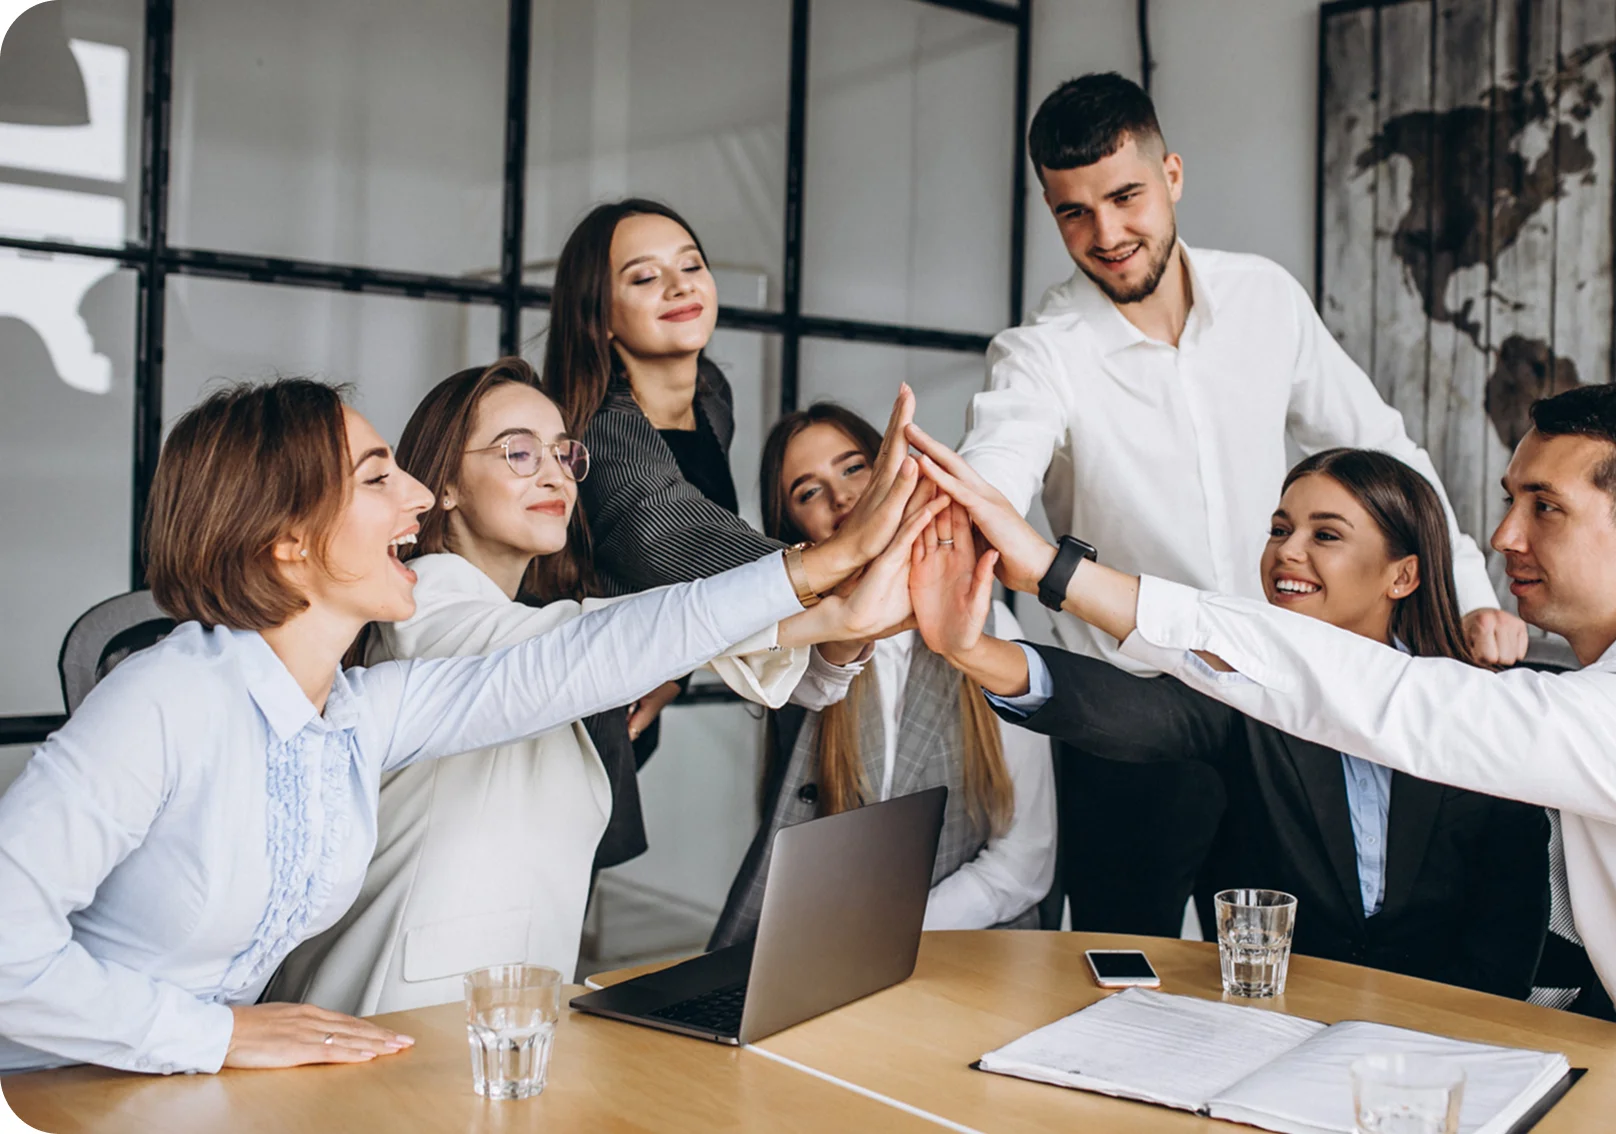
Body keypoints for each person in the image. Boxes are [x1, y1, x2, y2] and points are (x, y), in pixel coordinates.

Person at [0, 377, 937, 1076]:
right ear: (286, 540)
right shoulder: (162, 701)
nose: (415, 496)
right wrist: (216, 1032)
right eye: (378, 479)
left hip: (218, 1089)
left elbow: (573, 660)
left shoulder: (356, 715)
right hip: (74, 1093)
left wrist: (826, 595)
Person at [908, 383, 1616, 1076]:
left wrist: (1051, 571)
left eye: (1545, 506)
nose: (1504, 537)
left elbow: (1385, 699)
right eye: (1509, 499)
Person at [953, 72, 1528, 936]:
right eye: (1074, 212)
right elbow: (993, 470)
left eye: (1126, 196)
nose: (1107, 235)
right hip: (1129, 721)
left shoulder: (1266, 298)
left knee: (1285, 971)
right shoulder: (1042, 354)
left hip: (1274, 711)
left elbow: (1387, 449)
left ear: (1172, 175)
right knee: (1121, 974)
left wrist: (1473, 597)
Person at [268, 361, 897, 1015]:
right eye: (518, 451)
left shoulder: (542, 622)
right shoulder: (426, 607)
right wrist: (822, 578)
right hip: (386, 1026)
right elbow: (586, 648)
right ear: (444, 484)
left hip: (505, 1038)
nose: (553, 474)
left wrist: (844, 625)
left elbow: (799, 683)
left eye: (564, 453)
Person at [911, 448, 1549, 997]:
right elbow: (1132, 712)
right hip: (1272, 1024)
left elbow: (1509, 927)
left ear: (1402, 574)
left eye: (1325, 535)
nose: (1286, 553)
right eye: (1279, 530)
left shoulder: (1474, 709)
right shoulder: (1248, 688)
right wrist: (972, 649)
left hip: (1444, 1045)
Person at [543, 198, 891, 877]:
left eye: (691, 265)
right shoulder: (598, 430)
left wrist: (671, 672)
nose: (679, 287)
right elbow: (675, 535)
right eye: (643, 278)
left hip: (632, 692)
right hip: (563, 703)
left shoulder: (711, 394)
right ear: (598, 313)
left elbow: (686, 564)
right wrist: (840, 562)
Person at [707, 404, 1056, 948]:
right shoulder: (799, 652)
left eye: (853, 468)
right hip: (824, 945)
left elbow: (1025, 860)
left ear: (895, 471)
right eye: (808, 492)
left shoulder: (990, 627)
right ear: (792, 529)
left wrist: (885, 932)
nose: (841, 498)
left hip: (969, 948)